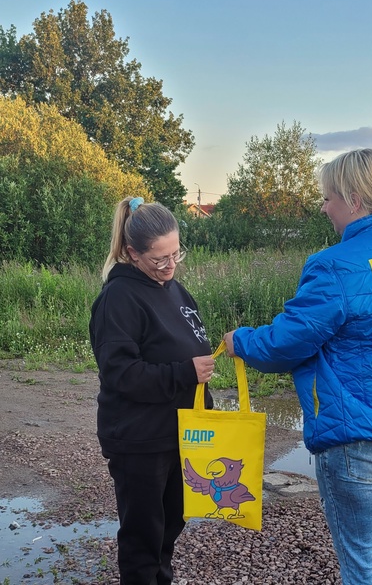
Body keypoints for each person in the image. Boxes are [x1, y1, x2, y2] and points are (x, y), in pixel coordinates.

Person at [223, 149, 372, 585]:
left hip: (358, 439)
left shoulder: (334, 266)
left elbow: (288, 342)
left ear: (353, 199)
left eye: (327, 197)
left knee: (360, 558)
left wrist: (242, 341)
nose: (324, 206)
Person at [89, 196, 215, 585]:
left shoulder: (175, 291)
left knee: (169, 527)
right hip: (139, 439)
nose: (171, 265)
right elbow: (120, 373)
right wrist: (183, 372)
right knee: (143, 537)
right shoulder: (119, 298)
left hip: (178, 433)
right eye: (160, 259)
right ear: (132, 253)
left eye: (176, 254)